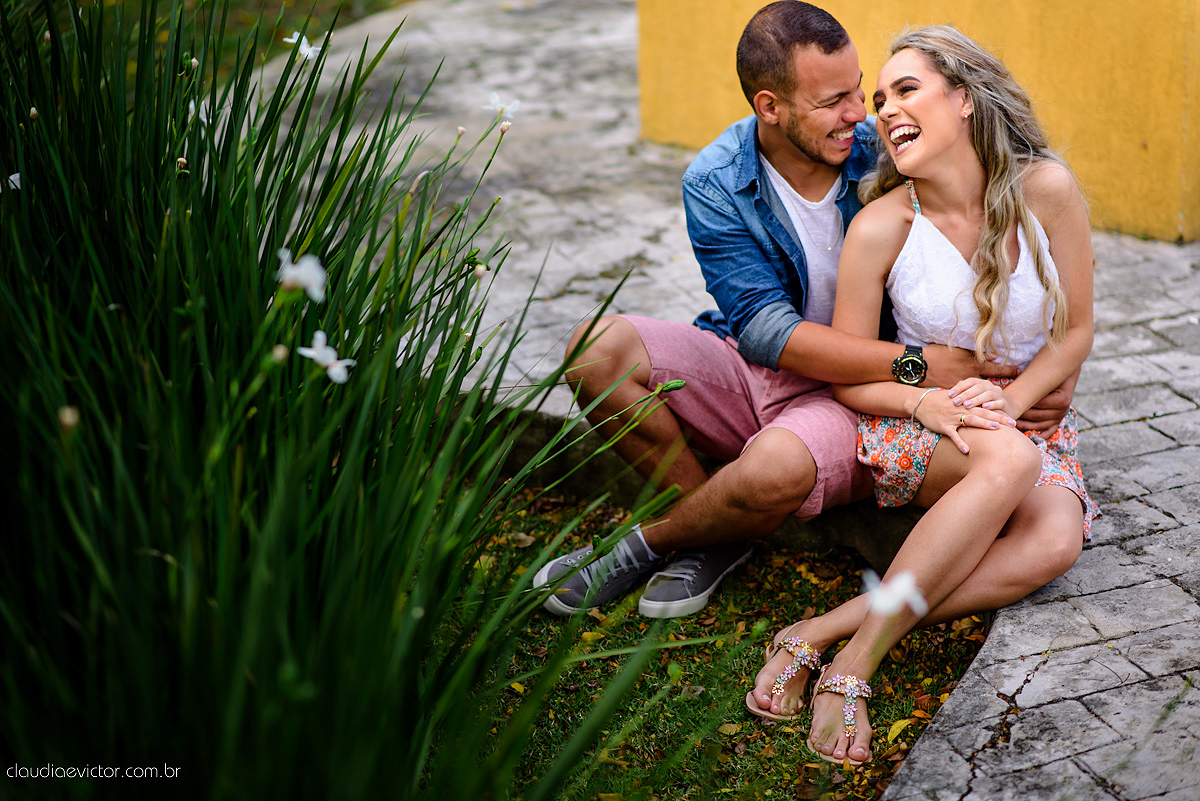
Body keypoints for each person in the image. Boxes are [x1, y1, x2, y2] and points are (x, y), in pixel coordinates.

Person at [532, 1, 1074, 619]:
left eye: (858, 91)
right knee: (594, 351)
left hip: (858, 395)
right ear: (770, 107)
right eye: (832, 101)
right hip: (771, 368)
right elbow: (763, 331)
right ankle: (714, 534)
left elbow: (1002, 222)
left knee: (772, 469)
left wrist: (1046, 374)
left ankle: (651, 542)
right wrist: (917, 364)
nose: (859, 115)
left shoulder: (886, 151)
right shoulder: (716, 178)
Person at [747, 25, 1097, 767]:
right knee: (1008, 461)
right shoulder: (881, 226)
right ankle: (857, 663)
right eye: (880, 100)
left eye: (906, 89)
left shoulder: (1047, 190)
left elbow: (1076, 329)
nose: (885, 111)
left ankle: (822, 628)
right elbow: (848, 376)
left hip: (1022, 416)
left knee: (1055, 540)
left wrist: (1018, 399)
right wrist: (924, 402)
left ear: (964, 98)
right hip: (920, 423)